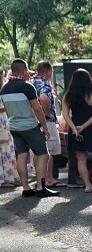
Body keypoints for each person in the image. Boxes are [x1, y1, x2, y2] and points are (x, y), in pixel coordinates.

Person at [0, 59, 58, 198]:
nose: (29, 75)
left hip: (14, 126)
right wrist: (45, 127)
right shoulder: (27, 87)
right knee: (43, 154)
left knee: (22, 155)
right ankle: (40, 187)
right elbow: (37, 109)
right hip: (29, 125)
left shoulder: (4, 89)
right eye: (28, 72)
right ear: (23, 72)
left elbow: (7, 110)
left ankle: (26, 188)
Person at [62, 68, 92, 193]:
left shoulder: (68, 95)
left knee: (80, 158)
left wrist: (74, 127)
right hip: (90, 128)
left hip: (75, 128)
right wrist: (84, 126)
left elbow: (65, 114)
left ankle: (87, 185)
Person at [31, 61, 64, 187]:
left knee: (37, 152)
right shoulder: (45, 83)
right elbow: (44, 98)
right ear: (48, 71)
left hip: (34, 120)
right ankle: (49, 178)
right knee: (49, 151)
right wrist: (48, 112)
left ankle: (40, 177)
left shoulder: (32, 83)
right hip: (46, 121)